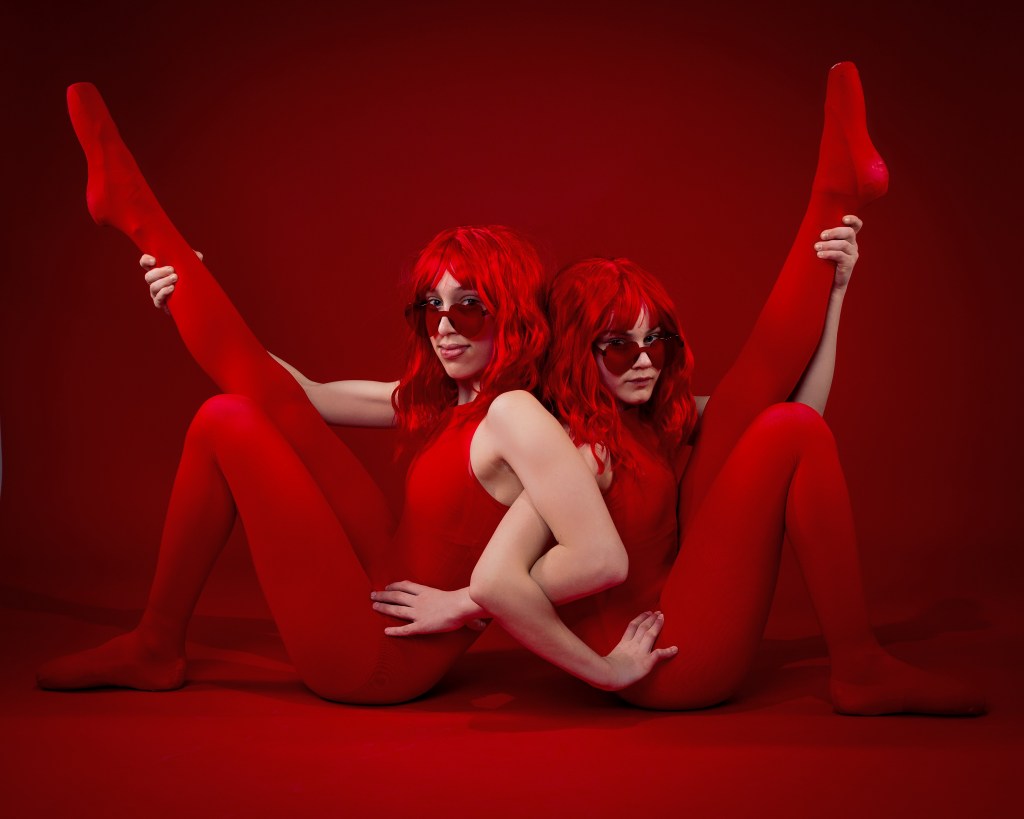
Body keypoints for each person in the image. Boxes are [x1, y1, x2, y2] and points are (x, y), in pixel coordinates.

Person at [371, 63, 986, 714]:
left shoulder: (651, 416)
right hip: (664, 661)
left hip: (681, 600)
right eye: (617, 345)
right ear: (579, 354)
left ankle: (833, 195)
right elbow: (506, 577)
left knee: (770, 411)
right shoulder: (580, 453)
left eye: (655, 340)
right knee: (775, 420)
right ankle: (858, 665)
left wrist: (836, 297)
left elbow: (804, 419)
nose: (644, 362)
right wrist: (471, 601)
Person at [36, 84, 677, 701]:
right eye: (433, 308)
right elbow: (303, 395)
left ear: (513, 318)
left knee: (225, 420)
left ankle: (154, 645)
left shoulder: (516, 415)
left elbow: (598, 557)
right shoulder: (447, 399)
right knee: (248, 404)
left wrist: (469, 606)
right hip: (383, 578)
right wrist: (191, 290)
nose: (445, 327)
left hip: (381, 657)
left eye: (470, 309)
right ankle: (151, 231)